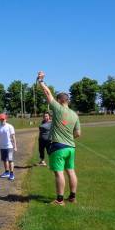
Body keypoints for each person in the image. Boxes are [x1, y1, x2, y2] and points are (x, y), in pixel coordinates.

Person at [37, 71, 81, 206]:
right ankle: (72, 197)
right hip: (71, 147)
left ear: (61, 100)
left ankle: (60, 200)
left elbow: (47, 93)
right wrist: (68, 135)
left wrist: (40, 81)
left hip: (58, 147)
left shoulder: (58, 108)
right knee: (71, 171)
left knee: (59, 173)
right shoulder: (75, 115)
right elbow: (78, 134)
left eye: (57, 99)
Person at [0, 113, 17, 181]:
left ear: (6, 119)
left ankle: (12, 174)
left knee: (10, 160)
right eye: (1, 119)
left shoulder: (10, 126)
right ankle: (7, 172)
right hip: (2, 147)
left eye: (3, 119)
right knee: (4, 160)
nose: (2, 120)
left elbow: (13, 137)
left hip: (9, 146)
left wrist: (15, 146)